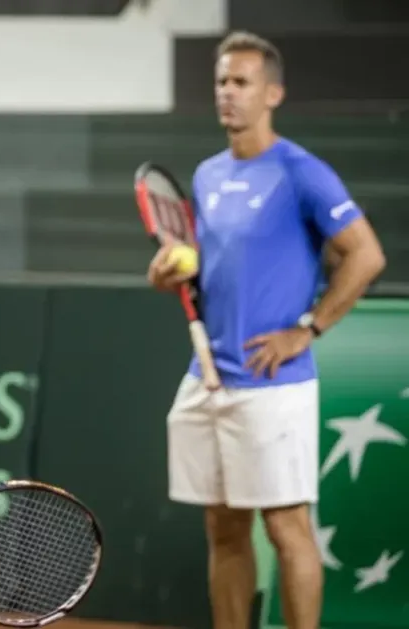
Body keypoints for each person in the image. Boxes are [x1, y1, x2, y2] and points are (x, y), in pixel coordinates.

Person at [147, 31, 386, 629]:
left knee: (286, 527)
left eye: (242, 82)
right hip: (207, 378)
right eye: (222, 82)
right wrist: (168, 268)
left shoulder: (302, 171)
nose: (228, 93)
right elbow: (198, 263)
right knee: (223, 530)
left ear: (272, 93)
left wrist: (307, 328)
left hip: (272, 384)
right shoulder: (206, 175)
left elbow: (365, 256)